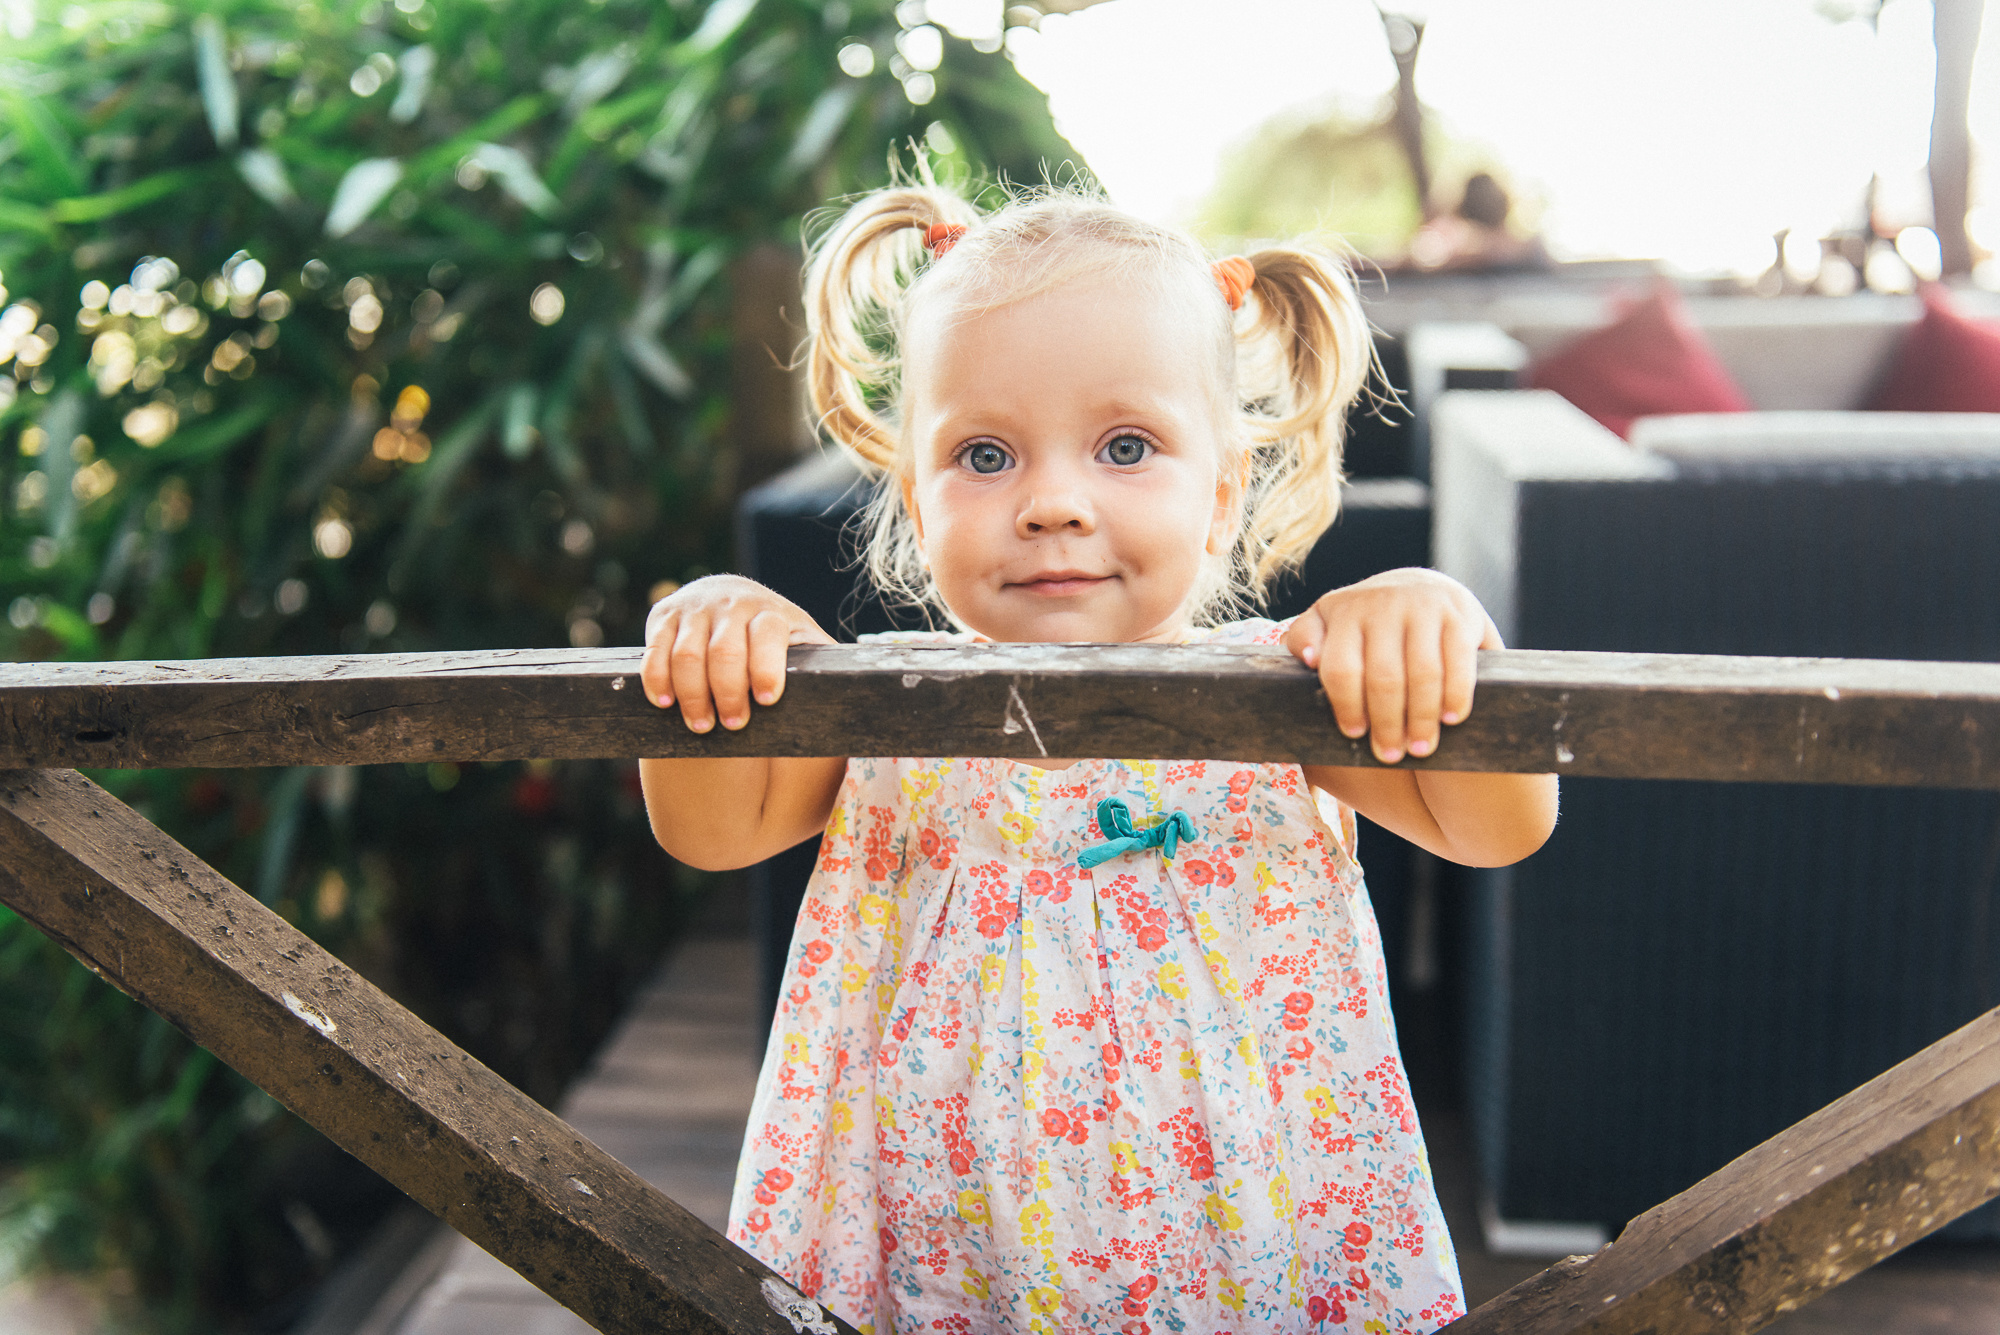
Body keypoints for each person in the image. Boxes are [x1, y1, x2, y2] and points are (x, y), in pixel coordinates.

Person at [638, 181, 1558, 1334]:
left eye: (1125, 446)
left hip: (1236, 1247)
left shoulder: (1283, 693)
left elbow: (1497, 827)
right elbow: (710, 831)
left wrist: (1431, 617)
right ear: (917, 503)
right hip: (947, 1257)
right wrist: (718, 631)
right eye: (984, 455)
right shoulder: (882, 700)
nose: (1053, 502)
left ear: (1221, 495)